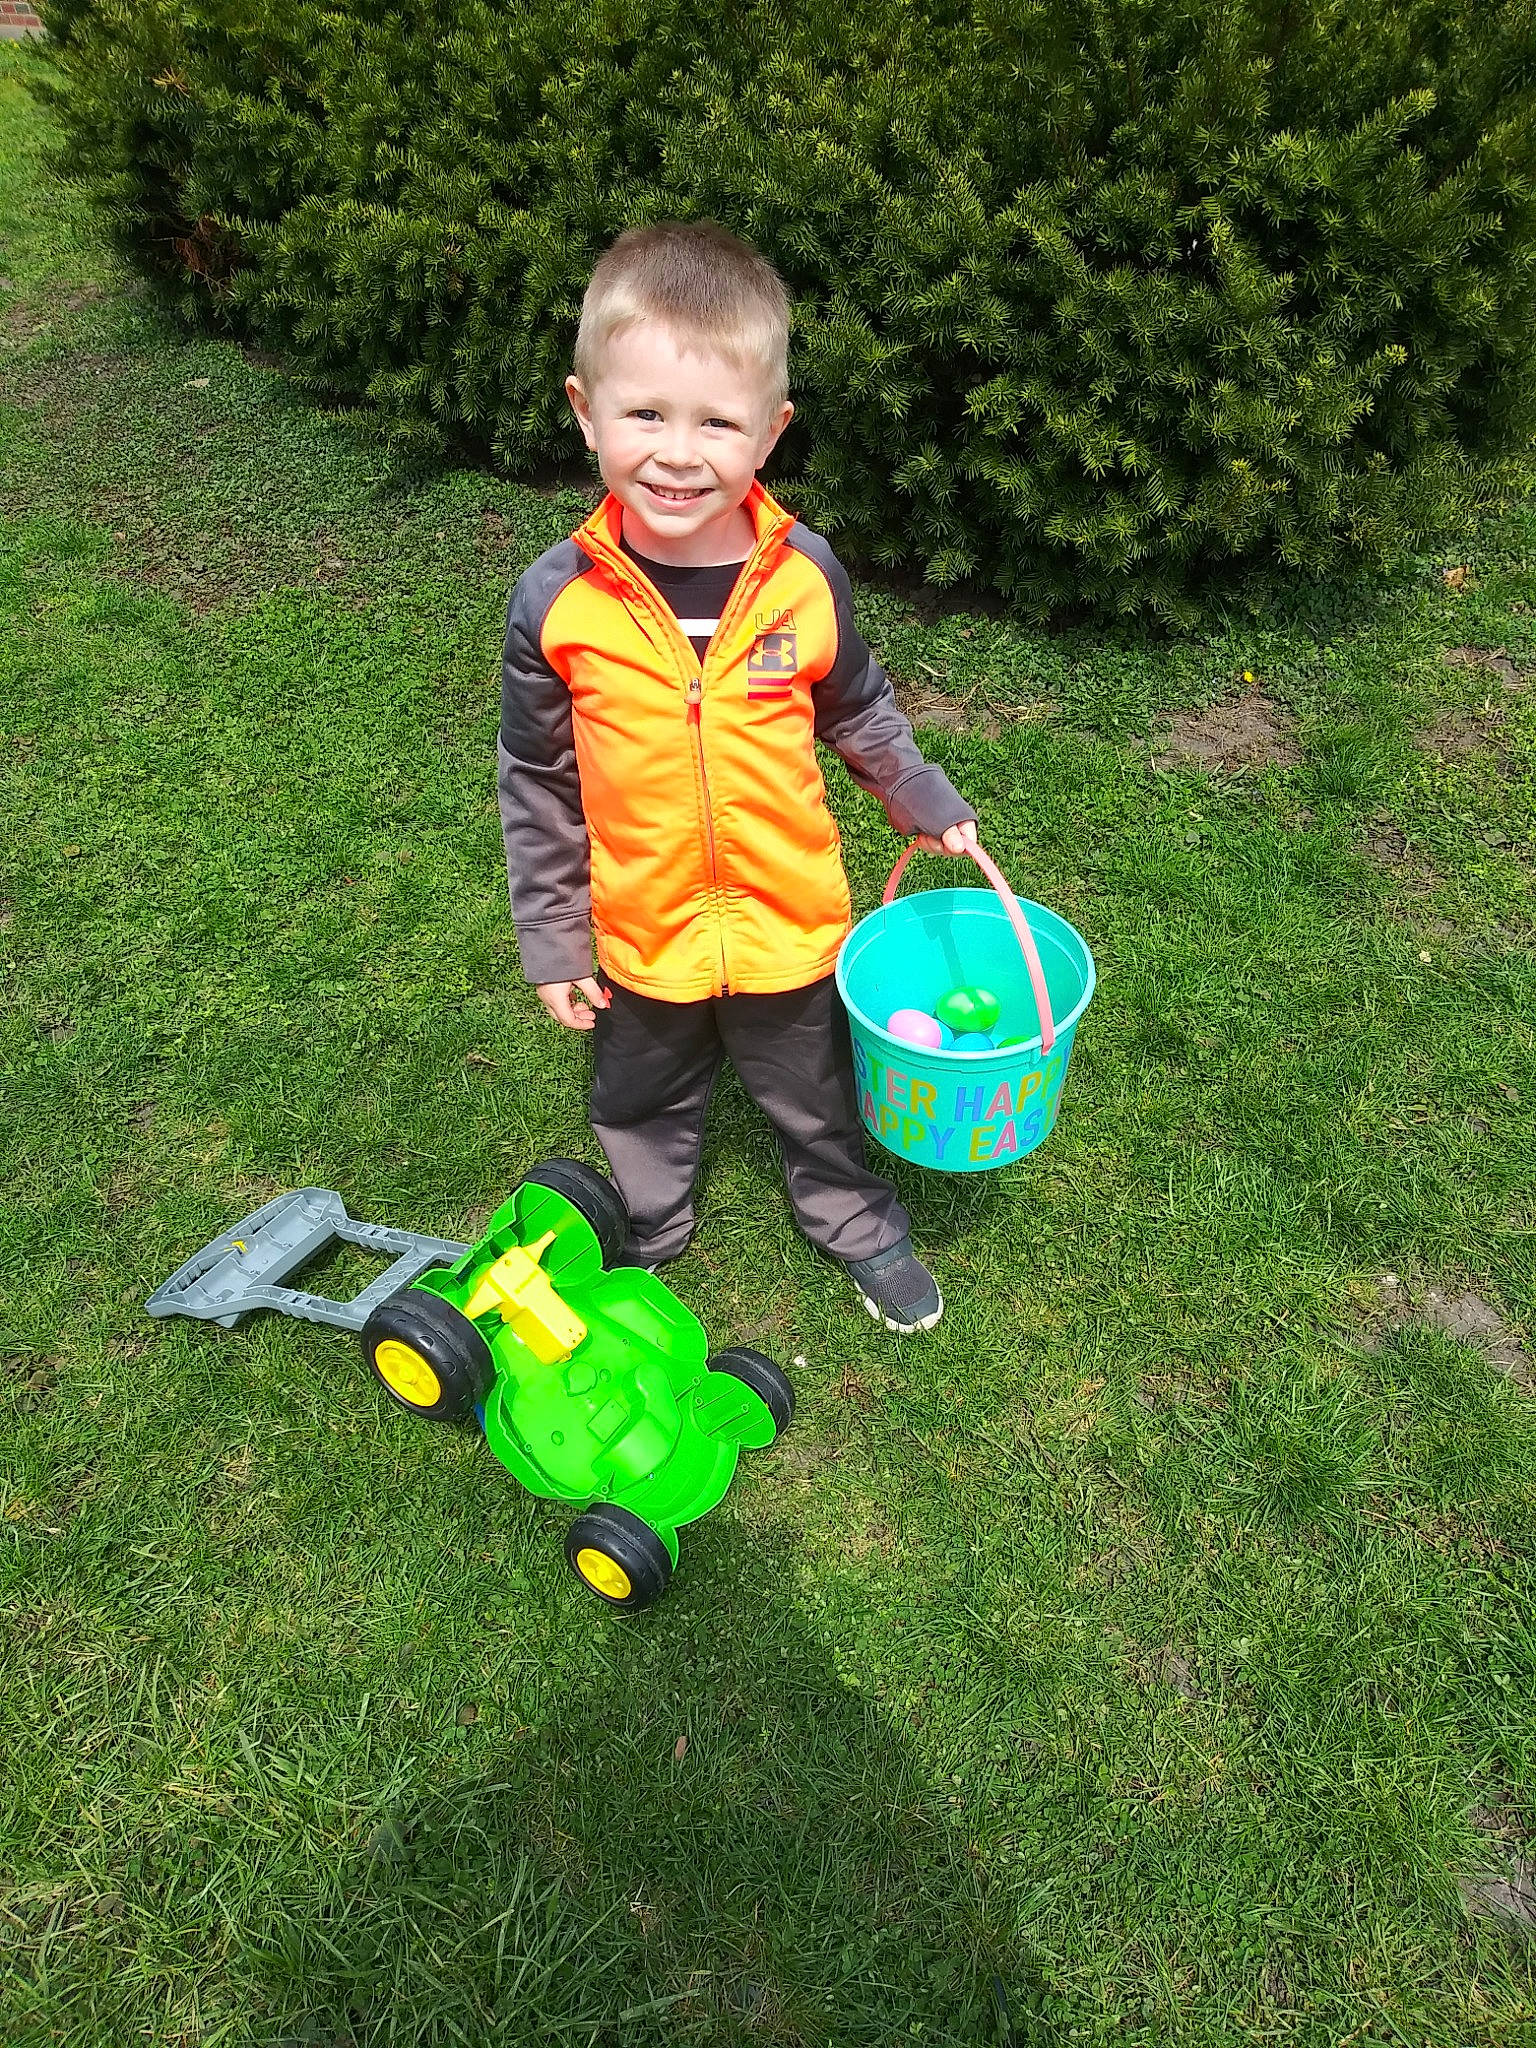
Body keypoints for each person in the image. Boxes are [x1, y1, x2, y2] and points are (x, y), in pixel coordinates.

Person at [497, 220, 976, 1334]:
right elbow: (536, 780)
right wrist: (558, 936)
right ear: (585, 412)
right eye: (645, 413)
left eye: (717, 421)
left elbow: (857, 704)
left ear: (771, 431)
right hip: (642, 924)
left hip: (785, 917)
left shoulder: (803, 576)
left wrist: (917, 792)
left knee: (814, 1091)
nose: (677, 451)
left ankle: (851, 1213)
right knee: (639, 1092)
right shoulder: (556, 601)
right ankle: (650, 1225)